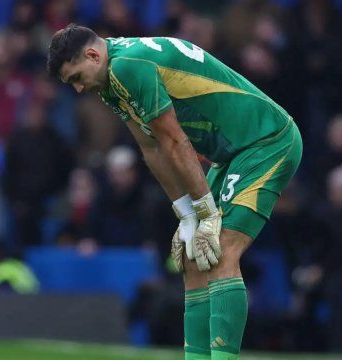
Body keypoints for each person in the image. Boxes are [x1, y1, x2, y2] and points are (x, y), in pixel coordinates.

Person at [47, 25, 302, 360]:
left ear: (93, 55)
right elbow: (151, 148)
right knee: (192, 254)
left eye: (76, 77)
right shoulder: (110, 79)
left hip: (267, 141)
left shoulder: (128, 66)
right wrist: (186, 214)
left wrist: (206, 212)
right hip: (232, 153)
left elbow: (174, 141)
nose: (79, 88)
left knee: (222, 250)